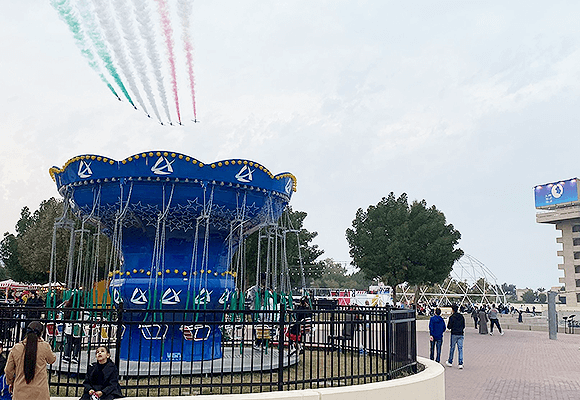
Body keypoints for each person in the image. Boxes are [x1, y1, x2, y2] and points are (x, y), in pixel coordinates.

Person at [5, 321, 56, 400]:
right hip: (40, 392)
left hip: (20, 391)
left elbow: (8, 370)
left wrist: (10, 382)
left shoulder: (16, 348)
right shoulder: (44, 346)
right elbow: (52, 360)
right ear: (41, 333)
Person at [445, 304, 465, 369]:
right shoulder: (461, 317)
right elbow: (463, 326)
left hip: (454, 334)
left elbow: (449, 327)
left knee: (452, 348)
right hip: (461, 334)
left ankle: (450, 361)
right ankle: (460, 363)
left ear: (452, 310)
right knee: (460, 348)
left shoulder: (452, 317)